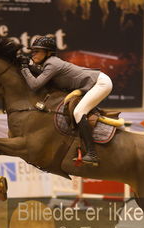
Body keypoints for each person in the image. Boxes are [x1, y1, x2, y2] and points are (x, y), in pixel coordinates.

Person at [18, 35, 113, 166]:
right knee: (78, 111)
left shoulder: (52, 64)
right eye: (32, 51)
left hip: (101, 83)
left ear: (48, 53)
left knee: (79, 112)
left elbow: (34, 85)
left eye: (37, 51)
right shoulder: (49, 63)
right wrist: (27, 66)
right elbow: (40, 75)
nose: (33, 54)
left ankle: (92, 154)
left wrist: (24, 68)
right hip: (96, 82)